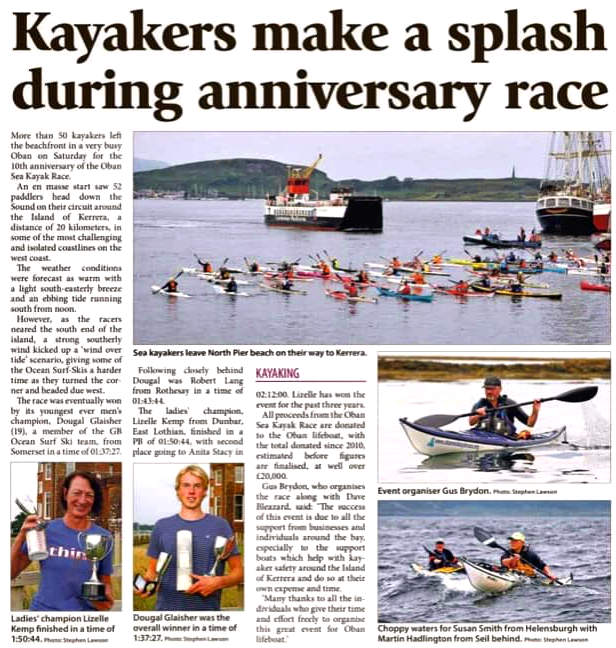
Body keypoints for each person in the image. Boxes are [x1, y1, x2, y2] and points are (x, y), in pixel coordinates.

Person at [137, 465, 243, 611]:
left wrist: (218, 582)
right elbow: (152, 572)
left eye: (197, 486)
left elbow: (239, 572)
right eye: (186, 485)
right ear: (178, 491)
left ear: (205, 491)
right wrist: (147, 585)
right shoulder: (161, 526)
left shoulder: (221, 525)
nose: (191, 491)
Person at [11, 471, 114, 611]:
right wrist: (21, 535)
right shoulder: (44, 530)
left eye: (89, 495)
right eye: (77, 493)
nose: (83, 500)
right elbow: (11, 572)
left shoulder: (104, 537)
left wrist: (102, 600)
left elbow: (106, 587)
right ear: (65, 493)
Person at [469, 376, 540, 439]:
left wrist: (535, 411)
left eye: (492, 389)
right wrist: (478, 415)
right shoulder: (480, 404)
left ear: (500, 389)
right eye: (487, 389)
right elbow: (471, 422)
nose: (489, 392)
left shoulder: (509, 404)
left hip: (505, 439)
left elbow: (530, 423)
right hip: (482, 437)